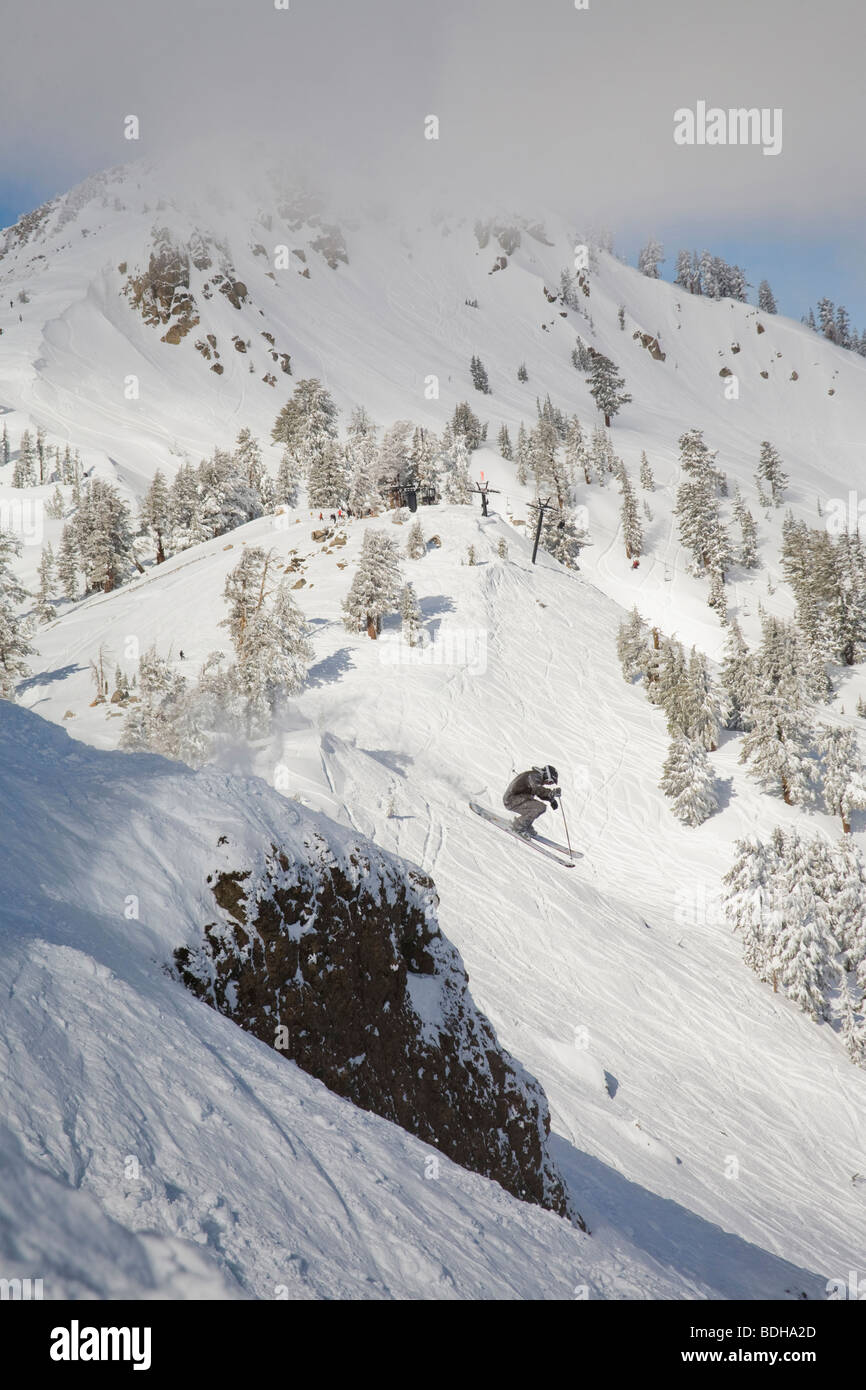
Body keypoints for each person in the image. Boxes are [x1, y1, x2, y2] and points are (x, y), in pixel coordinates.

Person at [503, 765, 560, 838]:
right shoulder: (535, 775)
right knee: (539, 807)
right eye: (550, 781)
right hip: (512, 799)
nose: (548, 784)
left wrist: (551, 799)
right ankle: (519, 825)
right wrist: (551, 793)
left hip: (515, 800)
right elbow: (537, 789)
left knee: (536, 807)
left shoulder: (535, 776)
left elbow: (539, 792)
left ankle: (526, 824)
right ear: (546, 775)